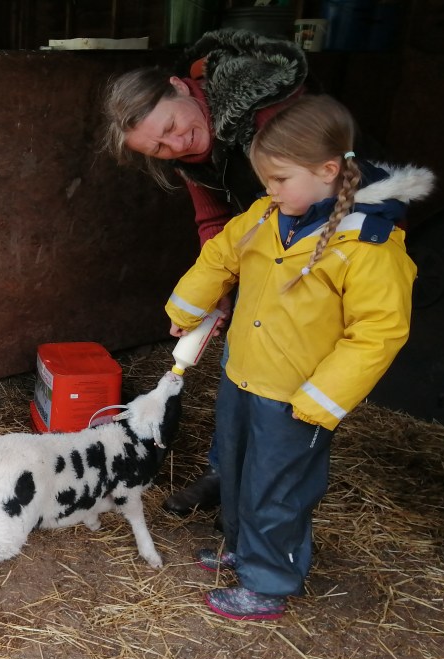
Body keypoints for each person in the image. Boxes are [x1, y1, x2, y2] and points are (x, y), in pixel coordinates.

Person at [165, 94, 432, 620]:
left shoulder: (370, 244)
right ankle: (243, 550)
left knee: (278, 489)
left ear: (329, 170)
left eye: (280, 179)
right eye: (266, 180)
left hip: (297, 395)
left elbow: (379, 330)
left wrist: (323, 397)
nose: (270, 190)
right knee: (238, 472)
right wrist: (187, 305)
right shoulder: (268, 215)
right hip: (243, 374)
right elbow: (222, 253)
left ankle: (268, 581)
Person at [102, 29, 309, 519]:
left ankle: (264, 494)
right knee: (240, 358)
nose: (176, 144)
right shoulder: (193, 157)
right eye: (160, 149)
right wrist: (218, 287)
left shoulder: (269, 114)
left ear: (179, 85)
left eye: (172, 126)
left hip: (320, 246)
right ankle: (228, 472)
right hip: (266, 247)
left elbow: (317, 195)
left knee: (283, 376)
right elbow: (214, 221)